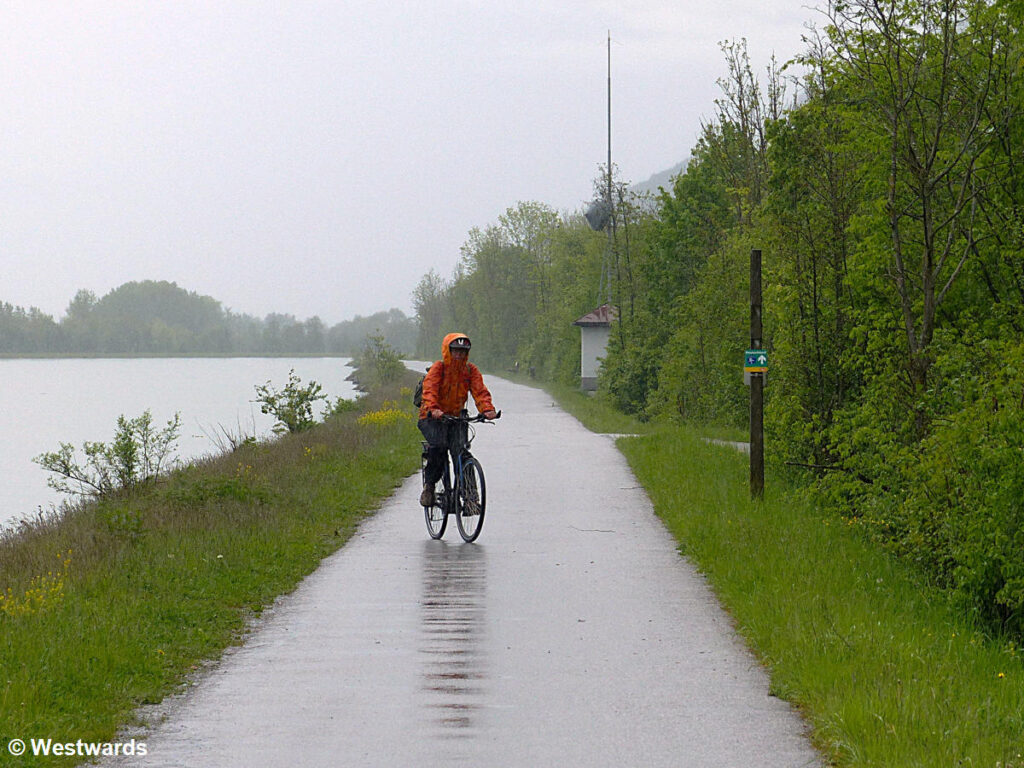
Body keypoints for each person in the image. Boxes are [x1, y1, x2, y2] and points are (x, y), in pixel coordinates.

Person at [418, 333, 498, 507]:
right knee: (438, 447)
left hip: (455, 419)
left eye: (463, 352)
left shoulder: (470, 371)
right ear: (448, 351)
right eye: (455, 351)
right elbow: (429, 389)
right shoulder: (439, 368)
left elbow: (480, 392)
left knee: (462, 454)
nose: (459, 355)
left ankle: (471, 500)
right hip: (431, 418)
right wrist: (433, 409)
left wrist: (487, 410)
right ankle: (429, 487)